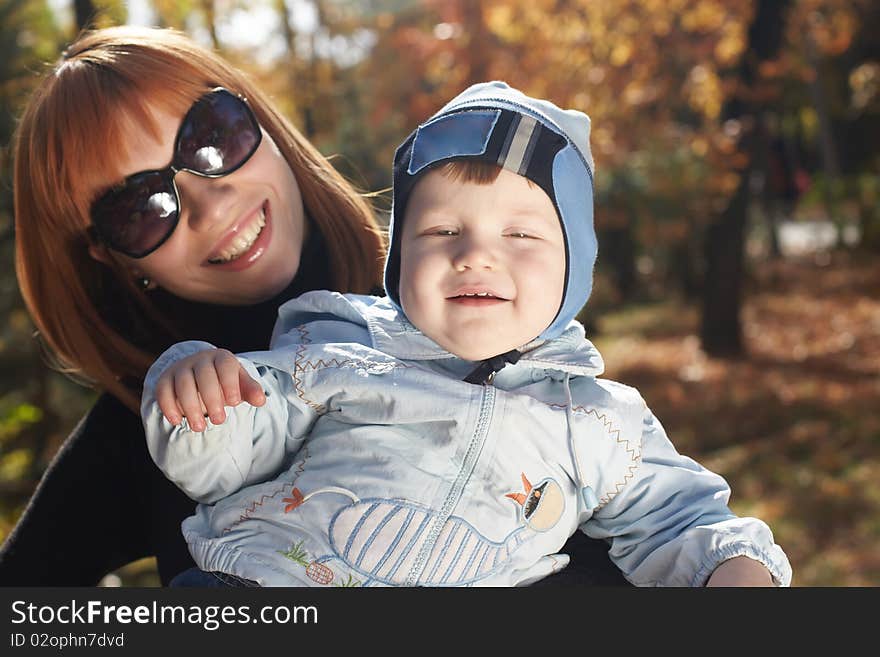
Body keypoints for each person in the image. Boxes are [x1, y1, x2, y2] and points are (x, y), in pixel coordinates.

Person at [0, 27, 625, 587]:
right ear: (108, 258)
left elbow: (643, 545)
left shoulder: (462, 298)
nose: (210, 205)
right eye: (139, 208)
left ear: (261, 120)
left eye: (212, 137)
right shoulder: (147, 421)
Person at [141, 81, 792, 587]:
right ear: (399, 262)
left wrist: (732, 567)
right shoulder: (338, 349)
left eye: (520, 234)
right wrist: (199, 394)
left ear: (575, 266)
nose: (476, 255)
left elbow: (680, 520)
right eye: (442, 232)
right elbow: (228, 456)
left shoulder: (600, 422)